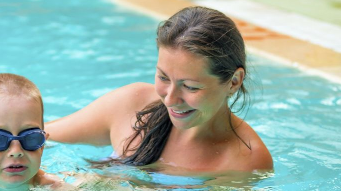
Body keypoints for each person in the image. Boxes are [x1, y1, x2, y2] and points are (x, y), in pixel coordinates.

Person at [45, 6, 273, 174]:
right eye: (163, 77)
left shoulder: (246, 161)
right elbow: (34, 138)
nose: (170, 99)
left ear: (234, 81)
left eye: (190, 86)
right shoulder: (131, 104)